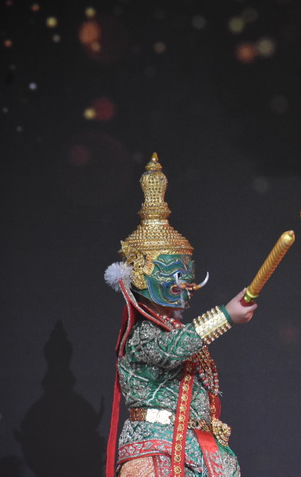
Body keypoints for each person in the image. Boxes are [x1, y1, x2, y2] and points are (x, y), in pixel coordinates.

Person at [104, 153, 256, 477]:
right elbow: (172, 348)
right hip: (156, 450)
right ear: (144, 275)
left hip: (189, 447)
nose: (186, 285)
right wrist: (225, 316)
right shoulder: (141, 336)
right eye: (176, 276)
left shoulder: (169, 328)